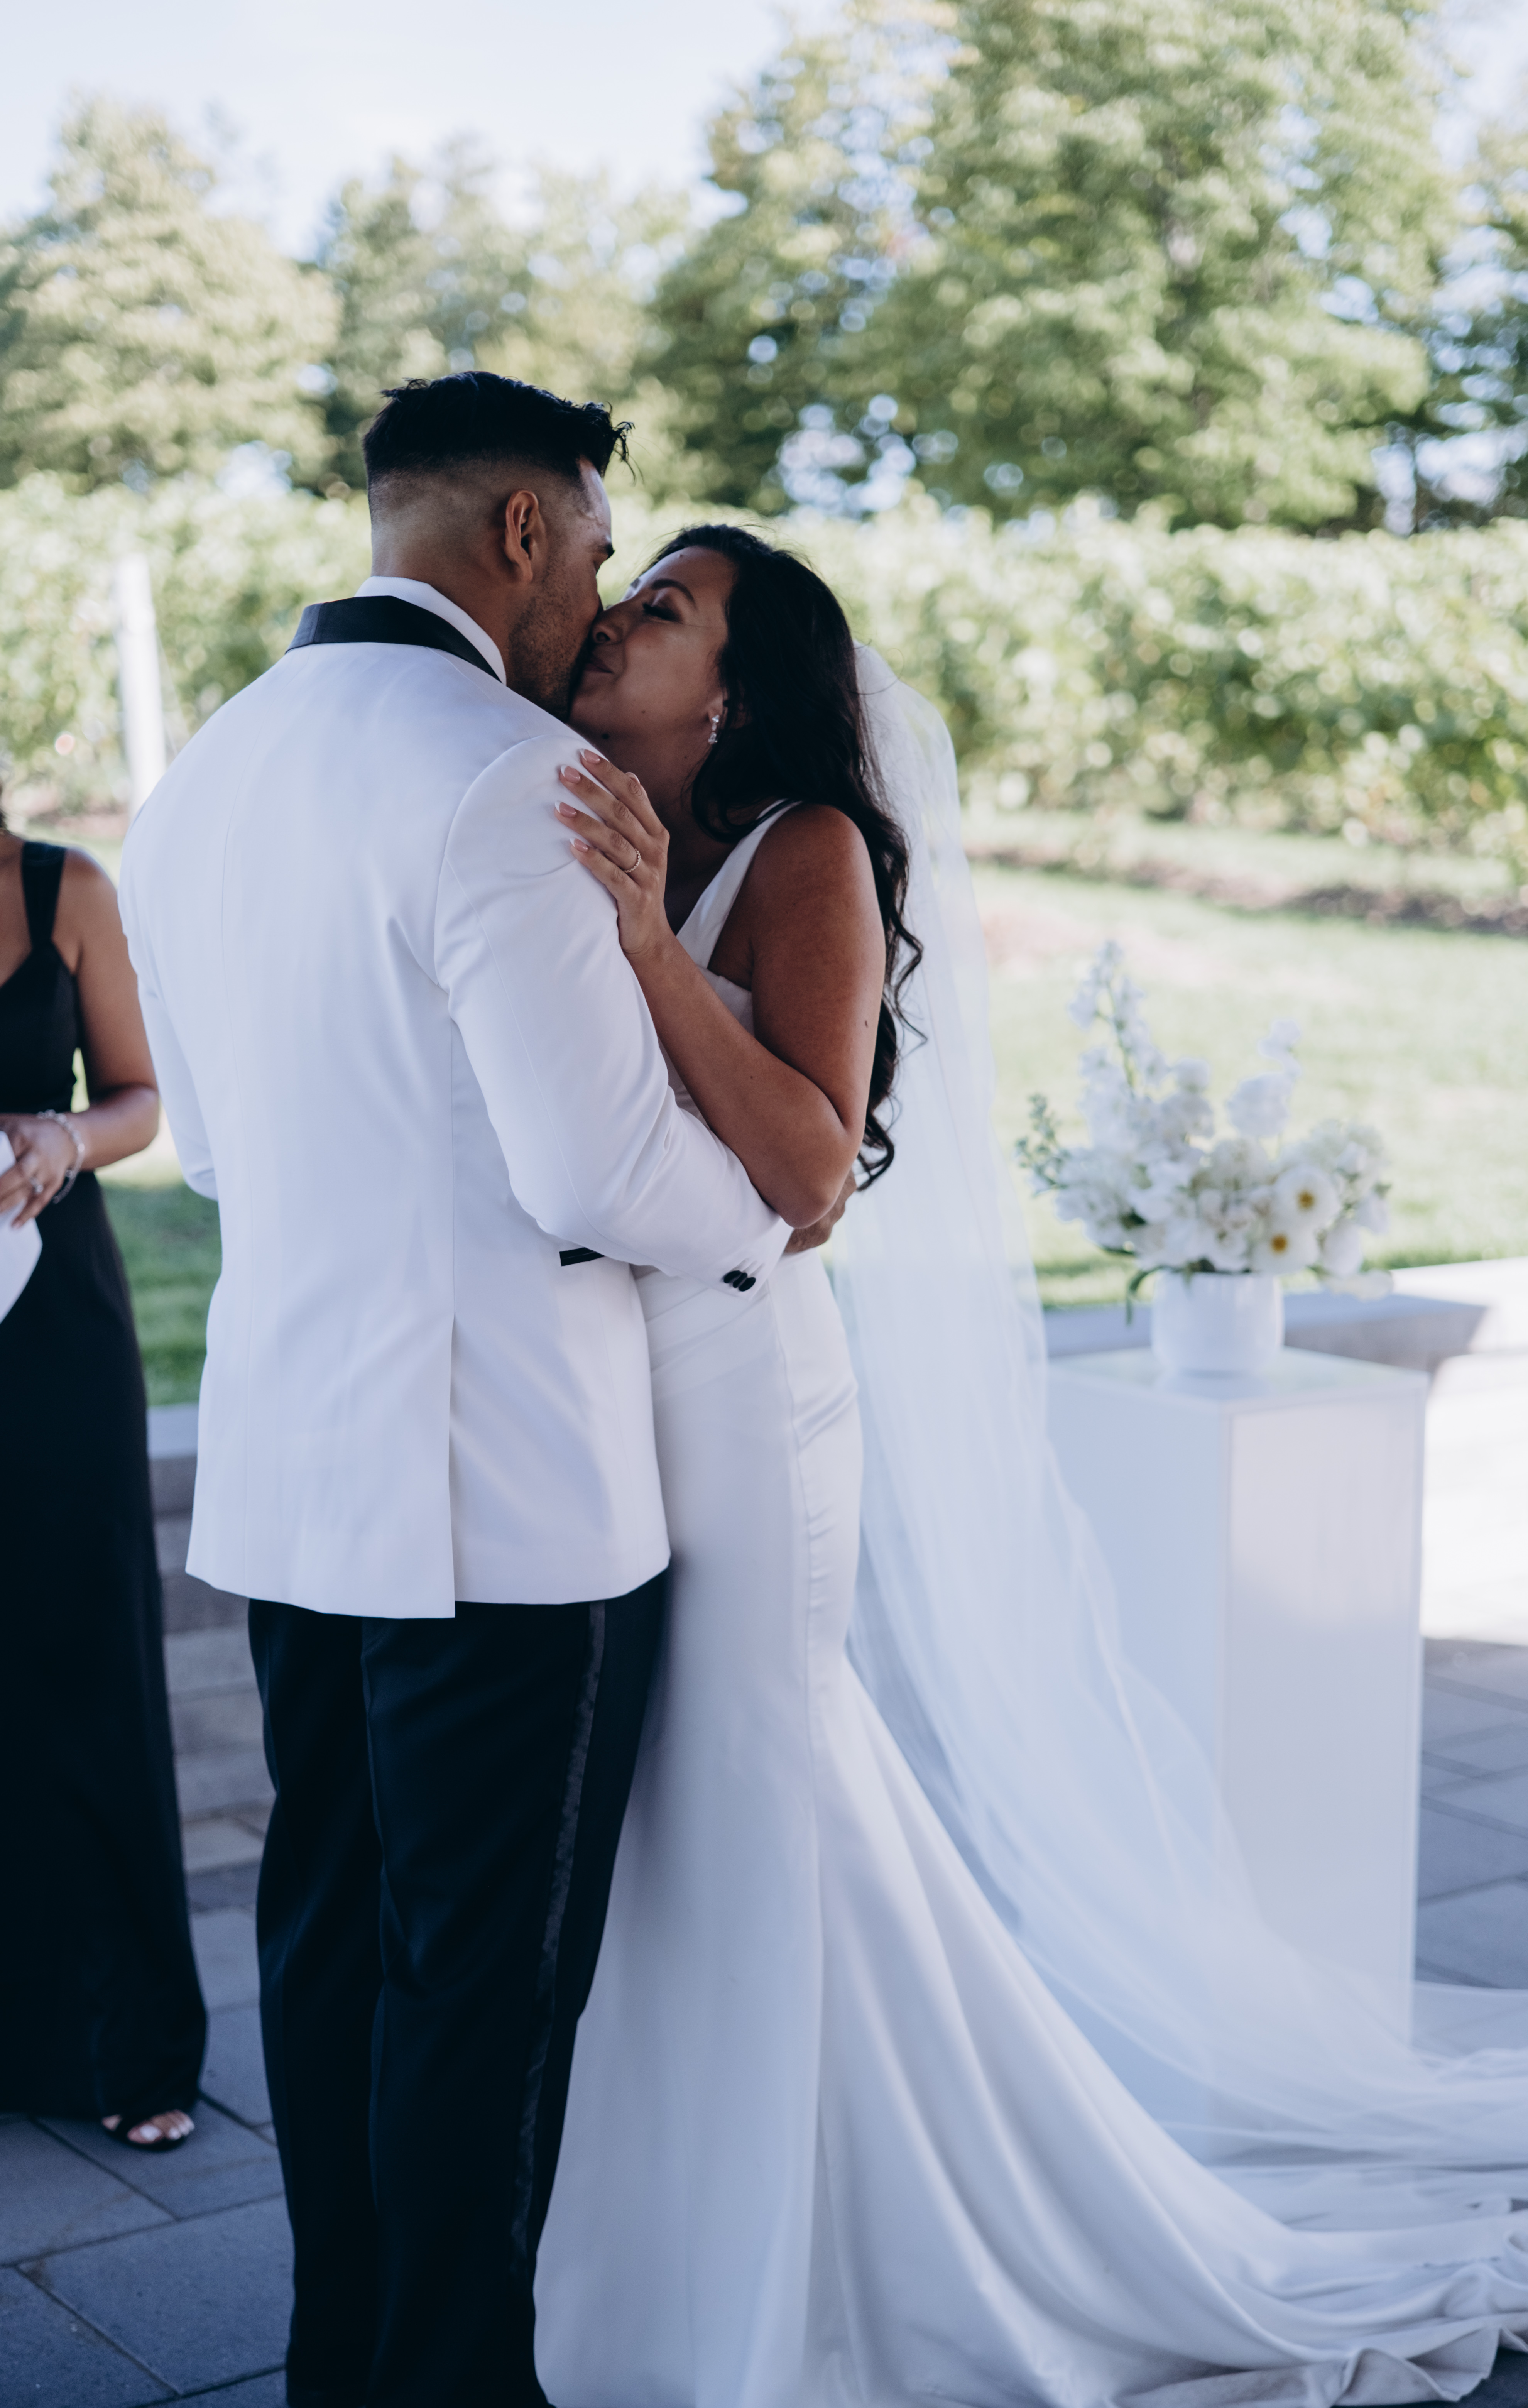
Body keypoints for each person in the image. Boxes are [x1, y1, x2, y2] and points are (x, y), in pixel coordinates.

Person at [531, 527, 1528, 2406]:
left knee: (749, 1783)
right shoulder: (595, 820)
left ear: (734, 690)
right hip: (617, 1390)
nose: (613, 620)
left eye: (664, 610)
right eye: (627, 589)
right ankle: (694, 2224)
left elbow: (809, 1177)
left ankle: (811, 2257)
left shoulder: (801, 853)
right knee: (676, 1816)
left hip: (747, 1396)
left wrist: (648, 948)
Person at [118, 377, 790, 2408]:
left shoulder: (201, 778)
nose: (593, 590)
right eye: (593, 546)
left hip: (296, 1475)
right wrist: (772, 1213)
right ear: (517, 531)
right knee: (484, 2002)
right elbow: (594, 1174)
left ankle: (345, 2365)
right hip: (512, 1491)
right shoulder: (509, 777)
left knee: (328, 1952)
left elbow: (210, 1148)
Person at [0, 611, 204, 2153]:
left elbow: (145, 1099)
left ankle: (131, 2042)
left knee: (85, 1648)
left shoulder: (64, 888)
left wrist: (57, 1138)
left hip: (56, 1326)